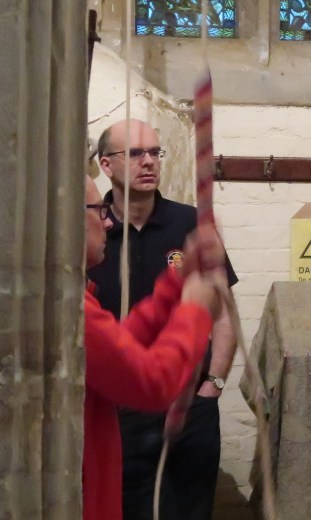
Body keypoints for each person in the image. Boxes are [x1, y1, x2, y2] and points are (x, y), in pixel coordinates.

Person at [88, 119, 239, 520]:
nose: (149, 161)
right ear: (106, 164)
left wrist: (214, 384)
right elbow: (122, 339)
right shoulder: (96, 237)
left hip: (192, 405)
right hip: (125, 409)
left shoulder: (190, 224)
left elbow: (222, 310)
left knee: (193, 511)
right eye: (136, 153)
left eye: (155, 152)